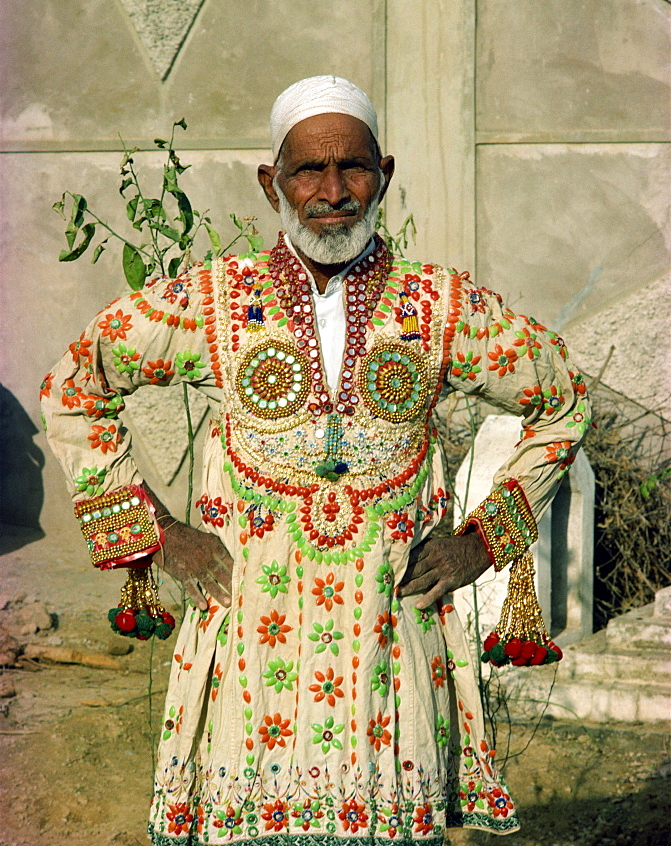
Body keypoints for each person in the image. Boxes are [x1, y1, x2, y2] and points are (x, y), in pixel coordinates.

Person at [41, 76, 589, 843]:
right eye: (307, 171)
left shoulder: (440, 307)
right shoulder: (208, 301)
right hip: (248, 624)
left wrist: (481, 539)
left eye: (353, 168)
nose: (332, 191)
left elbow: (562, 400)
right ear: (272, 183)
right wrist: (159, 533)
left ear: (384, 174)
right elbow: (75, 386)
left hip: (390, 633)